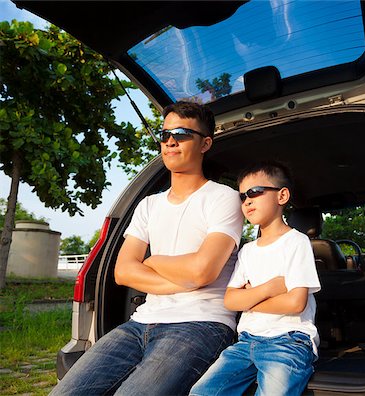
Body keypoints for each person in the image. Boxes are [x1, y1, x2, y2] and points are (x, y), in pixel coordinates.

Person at [50, 101, 244, 396]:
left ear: (205, 143)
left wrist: (153, 261)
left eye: (181, 133)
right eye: (164, 133)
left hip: (201, 324)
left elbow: (203, 271)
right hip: (139, 323)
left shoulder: (224, 198)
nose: (169, 141)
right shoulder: (148, 205)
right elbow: (123, 272)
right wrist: (184, 279)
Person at [190, 161, 321, 396]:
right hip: (245, 342)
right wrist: (271, 287)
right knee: (201, 392)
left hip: (288, 341)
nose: (247, 201)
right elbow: (230, 301)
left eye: (255, 192)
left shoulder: (296, 242)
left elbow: (295, 303)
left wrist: (249, 299)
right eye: (242, 197)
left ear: (281, 196)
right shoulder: (247, 250)